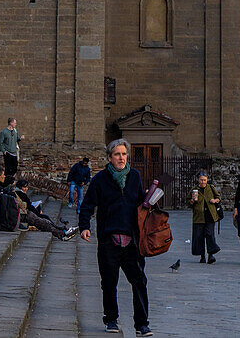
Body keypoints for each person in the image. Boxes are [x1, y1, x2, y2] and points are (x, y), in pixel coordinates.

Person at [79, 138, 152, 337]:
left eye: (124, 154)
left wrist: (149, 203)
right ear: (110, 157)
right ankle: (111, 319)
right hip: (108, 240)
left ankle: (142, 324)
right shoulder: (100, 179)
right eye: (117, 154)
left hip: (132, 241)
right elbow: (87, 205)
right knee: (109, 282)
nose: (121, 158)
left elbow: (140, 203)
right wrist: (84, 227)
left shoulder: (135, 176)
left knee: (139, 282)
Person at [189, 169, 220, 264]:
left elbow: (218, 198)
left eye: (204, 180)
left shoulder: (211, 188)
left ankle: (211, 255)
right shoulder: (194, 189)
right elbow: (188, 203)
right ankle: (202, 256)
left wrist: (214, 201)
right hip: (199, 217)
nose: (203, 182)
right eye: (201, 180)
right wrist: (192, 201)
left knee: (210, 234)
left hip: (210, 215)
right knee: (199, 236)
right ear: (198, 180)